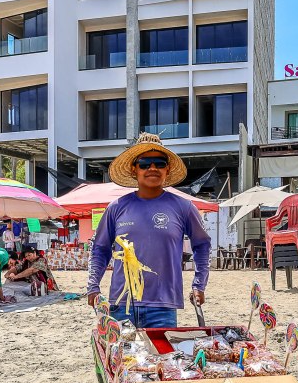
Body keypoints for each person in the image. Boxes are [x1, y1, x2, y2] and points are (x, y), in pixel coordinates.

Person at [87, 132, 211, 328]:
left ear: (167, 169)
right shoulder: (117, 208)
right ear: (134, 168)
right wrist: (93, 285)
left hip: (163, 307)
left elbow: (202, 245)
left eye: (159, 163)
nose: (152, 168)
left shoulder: (184, 207)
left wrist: (199, 284)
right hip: (121, 305)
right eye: (145, 163)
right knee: (122, 358)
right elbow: (100, 249)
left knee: (162, 359)